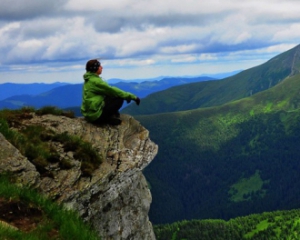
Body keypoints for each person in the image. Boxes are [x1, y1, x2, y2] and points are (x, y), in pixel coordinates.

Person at [81, 59, 140, 125]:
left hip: (90, 113)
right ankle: (106, 119)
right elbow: (113, 91)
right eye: (99, 66)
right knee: (119, 98)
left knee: (111, 96)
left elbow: (109, 92)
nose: (102, 67)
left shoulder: (89, 79)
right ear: (95, 68)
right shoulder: (95, 81)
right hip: (95, 116)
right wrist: (132, 97)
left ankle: (110, 115)